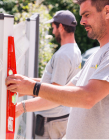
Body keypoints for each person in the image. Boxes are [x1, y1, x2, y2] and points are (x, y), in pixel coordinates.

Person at [6, 0, 109, 139]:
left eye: (87, 14)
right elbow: (64, 92)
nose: (82, 22)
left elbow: (87, 97)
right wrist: (22, 104)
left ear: (107, 12)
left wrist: (33, 87)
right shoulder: (98, 54)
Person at [17, 10, 82, 139]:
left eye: (53, 28)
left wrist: (21, 107)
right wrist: (27, 83)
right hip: (60, 118)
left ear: (61, 27)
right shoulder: (75, 50)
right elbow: (56, 83)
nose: (53, 32)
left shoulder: (62, 56)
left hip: (51, 122)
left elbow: (54, 95)